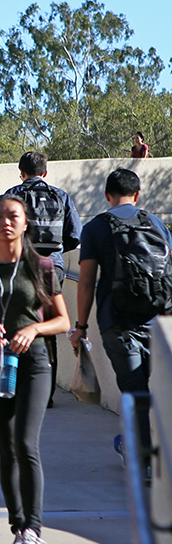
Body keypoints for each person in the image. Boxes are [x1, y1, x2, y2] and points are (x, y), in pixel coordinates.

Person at [0, 194, 70, 544]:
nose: (5, 222)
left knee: (26, 444)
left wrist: (33, 330)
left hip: (34, 362)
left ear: (25, 223)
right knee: (6, 449)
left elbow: (63, 320)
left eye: (13, 216)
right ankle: (18, 526)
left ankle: (35, 528)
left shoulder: (40, 266)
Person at [71, 168, 172, 477]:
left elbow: (86, 282)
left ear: (106, 195)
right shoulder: (157, 224)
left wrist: (81, 326)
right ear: (138, 194)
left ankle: (140, 461)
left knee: (134, 390)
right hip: (158, 318)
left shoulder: (96, 228)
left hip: (118, 322)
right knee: (152, 389)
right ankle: (134, 446)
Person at [5, 151, 82, 408]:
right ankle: (45, 395)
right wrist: (55, 252)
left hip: (21, 268)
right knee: (48, 331)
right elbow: (74, 235)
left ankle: (16, 387)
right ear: (45, 173)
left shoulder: (13, 194)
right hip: (54, 270)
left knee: (19, 327)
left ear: (21, 172)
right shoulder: (60, 196)